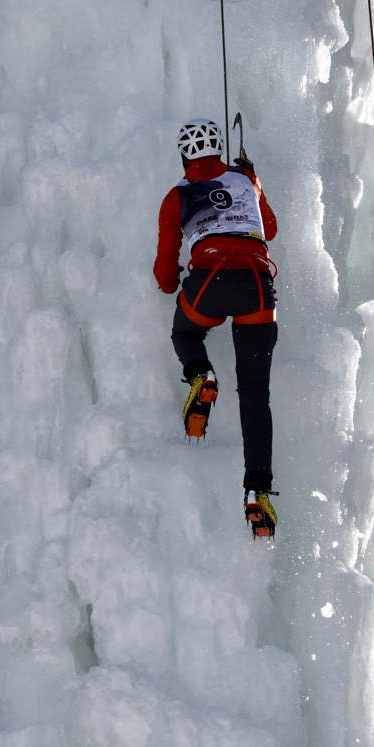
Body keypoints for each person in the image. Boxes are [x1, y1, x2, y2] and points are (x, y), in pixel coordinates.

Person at [153, 118, 280, 537]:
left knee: (185, 333)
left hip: (208, 280)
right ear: (218, 148)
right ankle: (257, 493)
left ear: (184, 155)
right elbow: (270, 229)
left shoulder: (177, 197)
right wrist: (250, 177)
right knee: (255, 395)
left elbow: (164, 274)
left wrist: (172, 281)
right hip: (258, 287)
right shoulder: (244, 177)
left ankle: (200, 374)